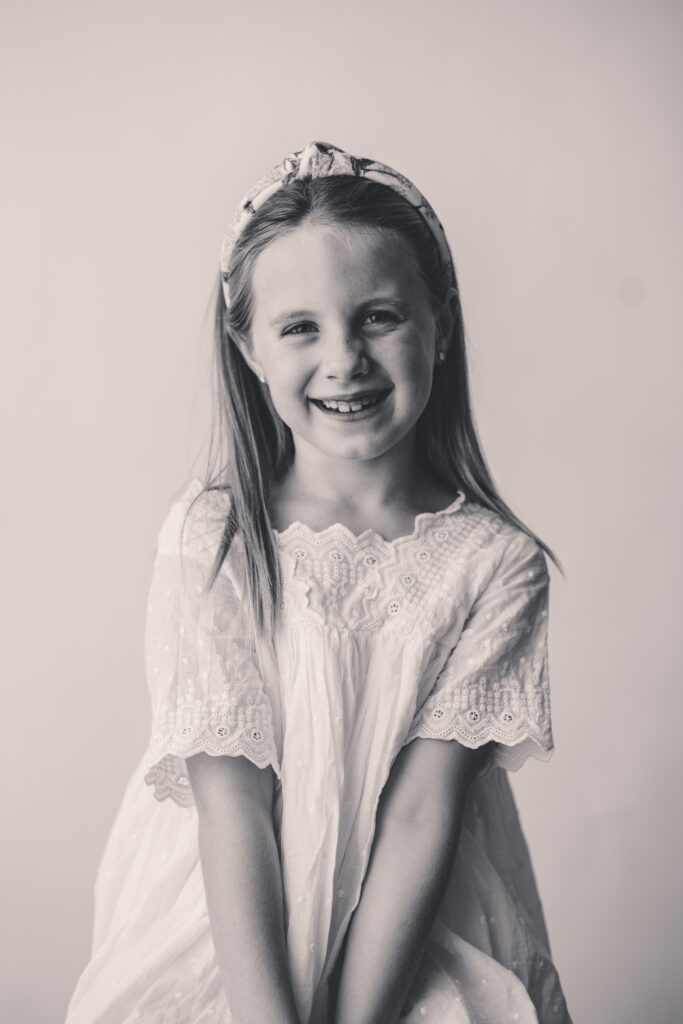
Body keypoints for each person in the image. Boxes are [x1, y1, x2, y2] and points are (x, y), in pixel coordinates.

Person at [65, 141, 572, 1024]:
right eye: (300, 326)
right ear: (248, 346)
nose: (344, 359)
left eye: (378, 317)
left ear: (440, 324)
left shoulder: (494, 565)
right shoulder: (214, 538)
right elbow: (231, 806)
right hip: (228, 928)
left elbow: (421, 816)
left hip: (411, 936)